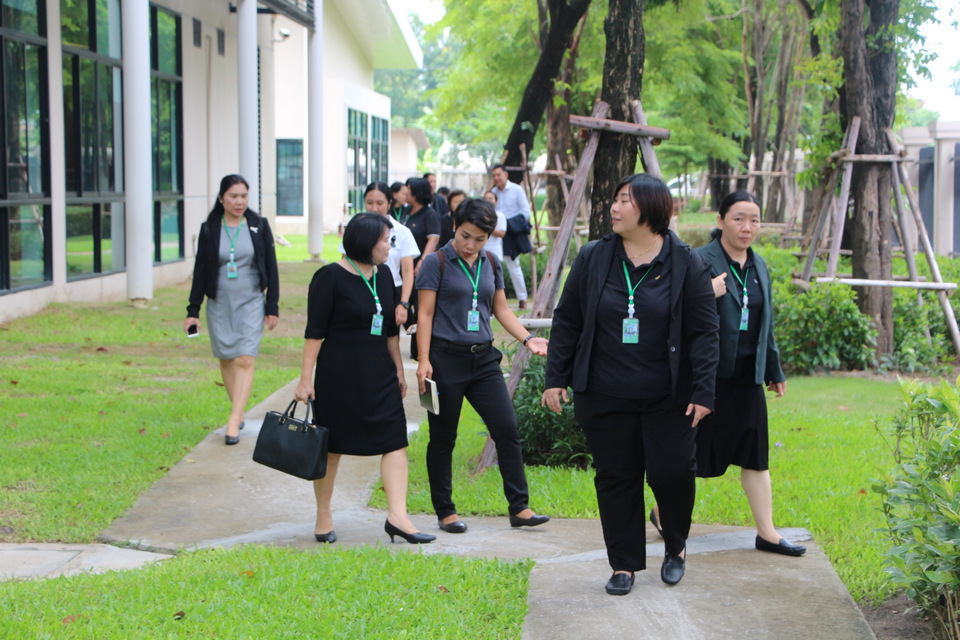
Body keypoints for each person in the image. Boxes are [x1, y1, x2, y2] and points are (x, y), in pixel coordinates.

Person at [541, 173, 718, 595]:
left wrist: (704, 391)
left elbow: (704, 333)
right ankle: (623, 564)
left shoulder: (686, 262)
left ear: (651, 209)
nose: (614, 207)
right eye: (615, 199)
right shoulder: (594, 257)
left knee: (672, 473)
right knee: (616, 478)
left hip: (668, 397)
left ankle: (675, 545)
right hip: (605, 393)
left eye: (625, 200)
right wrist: (556, 377)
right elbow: (568, 320)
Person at [653, 191, 805, 557]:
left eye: (754, 220)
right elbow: (666, 309)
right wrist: (707, 292)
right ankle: (662, 514)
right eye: (738, 218)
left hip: (746, 379)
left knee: (755, 455)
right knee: (690, 456)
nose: (747, 227)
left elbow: (766, 324)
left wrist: (773, 368)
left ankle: (767, 533)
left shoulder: (759, 265)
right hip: (705, 379)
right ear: (720, 221)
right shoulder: (697, 261)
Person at [294, 213, 435, 545]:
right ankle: (323, 515)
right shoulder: (329, 277)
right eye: (385, 240)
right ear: (365, 242)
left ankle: (398, 517)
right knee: (332, 446)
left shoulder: (383, 275)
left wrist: (398, 370)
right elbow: (314, 334)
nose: (390, 247)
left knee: (395, 440)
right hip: (339, 376)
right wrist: (305, 379)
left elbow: (389, 331)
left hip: (379, 373)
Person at [415, 198, 550, 534]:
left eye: (480, 239)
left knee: (506, 428)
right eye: (465, 236)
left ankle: (519, 507)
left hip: (484, 360)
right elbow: (425, 315)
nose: (471, 245)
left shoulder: (490, 261)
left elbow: (501, 309)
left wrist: (528, 339)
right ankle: (445, 511)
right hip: (445, 360)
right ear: (454, 226)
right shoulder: (435, 262)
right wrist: (424, 360)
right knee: (443, 438)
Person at [185, 174, 279, 446]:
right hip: (219, 303)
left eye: (244, 196)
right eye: (233, 196)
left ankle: (234, 419)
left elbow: (271, 266)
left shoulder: (259, 225)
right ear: (221, 198)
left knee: (245, 359)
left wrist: (272, 305)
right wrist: (193, 310)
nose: (239, 202)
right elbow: (200, 271)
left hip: (251, 301)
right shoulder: (210, 228)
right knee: (226, 357)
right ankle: (238, 409)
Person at [339, 182, 419, 326]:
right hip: (358, 288)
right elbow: (345, 261)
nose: (374, 208)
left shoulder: (402, 232)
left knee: (388, 334)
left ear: (389, 203)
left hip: (390, 291)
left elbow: (407, 271)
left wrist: (403, 302)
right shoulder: (355, 229)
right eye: (369, 203)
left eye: (380, 203)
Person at [400, 177, 442, 356]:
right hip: (404, 267)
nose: (405, 193)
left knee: (420, 307)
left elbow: (433, 239)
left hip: (420, 268)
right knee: (401, 303)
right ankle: (414, 337)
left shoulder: (429, 214)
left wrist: (423, 261)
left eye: (408, 190)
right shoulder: (406, 211)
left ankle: (420, 349)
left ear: (416, 193)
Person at [490, 164, 532, 309]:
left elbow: (526, 211)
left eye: (498, 174)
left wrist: (510, 224)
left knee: (514, 266)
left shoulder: (516, 190)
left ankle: (522, 298)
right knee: (492, 265)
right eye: (494, 175)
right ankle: (493, 300)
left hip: (511, 233)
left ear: (506, 175)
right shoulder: (492, 193)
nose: (496, 178)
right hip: (494, 234)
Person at [482, 190, 508, 261]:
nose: (488, 200)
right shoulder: (479, 215)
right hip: (481, 251)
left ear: (496, 201)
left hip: (495, 252)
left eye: (490, 198)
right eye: (486, 198)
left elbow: (501, 234)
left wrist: (486, 226)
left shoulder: (500, 215)